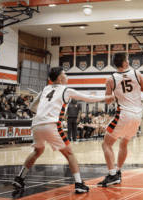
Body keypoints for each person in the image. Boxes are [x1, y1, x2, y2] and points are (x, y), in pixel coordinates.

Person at [12, 66, 115, 194]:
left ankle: (19, 178)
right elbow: (88, 98)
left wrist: (44, 113)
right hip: (51, 125)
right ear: (60, 78)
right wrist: (108, 97)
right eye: (65, 74)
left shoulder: (45, 88)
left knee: (38, 151)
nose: (67, 76)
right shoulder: (66, 90)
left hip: (36, 124)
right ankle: (78, 183)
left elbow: (32, 107)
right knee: (70, 154)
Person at [97, 52, 143, 187]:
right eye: (128, 59)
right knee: (123, 143)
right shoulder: (137, 73)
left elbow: (108, 101)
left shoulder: (110, 79)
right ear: (125, 63)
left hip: (123, 114)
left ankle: (112, 174)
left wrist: (116, 95)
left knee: (106, 144)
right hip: (137, 116)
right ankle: (118, 172)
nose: (129, 61)